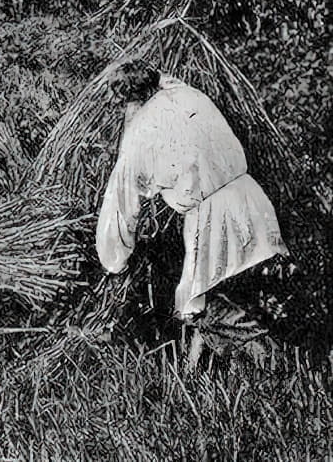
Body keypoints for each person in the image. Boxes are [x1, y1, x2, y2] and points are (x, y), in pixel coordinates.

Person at [95, 59, 289, 362]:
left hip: (215, 219)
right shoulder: (191, 96)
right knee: (206, 297)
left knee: (198, 308)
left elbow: (122, 203)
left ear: (127, 101)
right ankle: (196, 374)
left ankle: (275, 363)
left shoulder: (140, 133)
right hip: (252, 202)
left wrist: (113, 259)